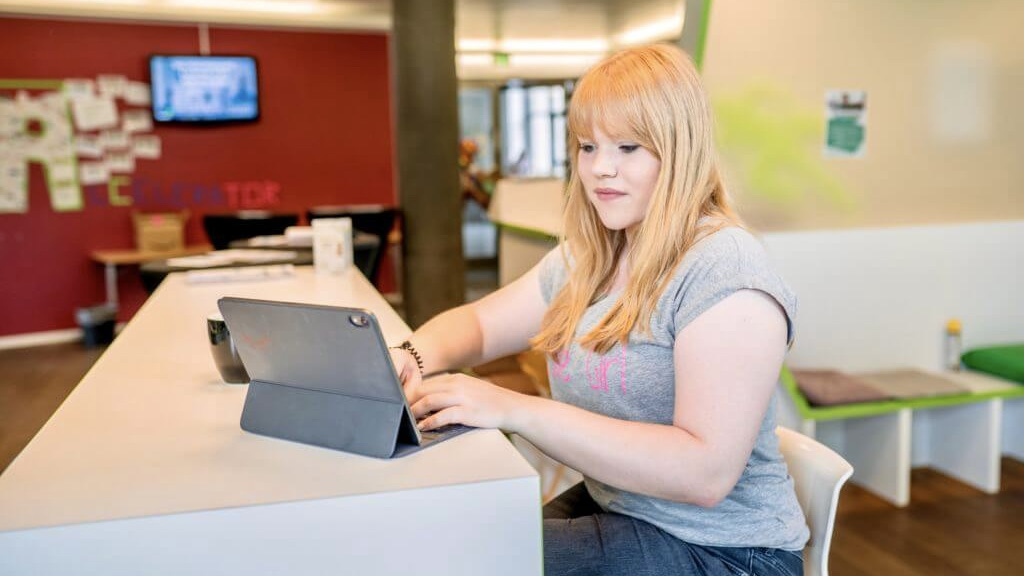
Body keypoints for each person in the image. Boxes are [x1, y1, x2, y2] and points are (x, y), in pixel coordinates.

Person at [390, 43, 809, 576]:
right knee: (456, 539)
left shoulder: (724, 268)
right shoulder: (591, 257)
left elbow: (704, 474)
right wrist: (411, 355)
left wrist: (512, 408)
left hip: (724, 552)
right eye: (588, 147)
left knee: (470, 558)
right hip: (623, 506)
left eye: (628, 147)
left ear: (679, 150)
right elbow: (477, 325)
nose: (600, 170)